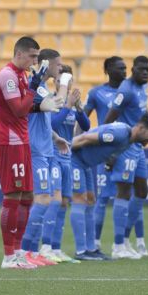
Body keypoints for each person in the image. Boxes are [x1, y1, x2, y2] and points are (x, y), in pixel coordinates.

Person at [0, 36, 62, 269]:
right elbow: (20, 109)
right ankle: (8, 255)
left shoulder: (23, 75)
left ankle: (19, 251)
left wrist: (35, 94)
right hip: (10, 141)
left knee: (27, 197)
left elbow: (28, 105)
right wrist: (33, 90)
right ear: (20, 53)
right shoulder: (8, 75)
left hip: (23, 140)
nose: (35, 61)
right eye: (33, 56)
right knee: (12, 196)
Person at [68, 114, 148, 257]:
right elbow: (85, 138)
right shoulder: (120, 134)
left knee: (90, 200)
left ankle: (91, 249)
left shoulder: (128, 141)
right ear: (141, 128)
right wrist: (62, 150)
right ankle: (81, 250)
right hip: (76, 160)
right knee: (80, 200)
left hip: (86, 165)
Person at [104, 56, 148, 259]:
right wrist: (110, 150)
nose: (146, 73)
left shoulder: (142, 88)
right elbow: (109, 118)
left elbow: (144, 115)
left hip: (139, 147)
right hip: (125, 146)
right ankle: (117, 246)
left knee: (141, 192)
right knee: (123, 191)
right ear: (133, 69)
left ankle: (124, 240)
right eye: (141, 69)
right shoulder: (126, 89)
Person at [19, 48, 70, 265]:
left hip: (47, 149)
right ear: (47, 64)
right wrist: (66, 81)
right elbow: (58, 104)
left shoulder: (43, 87)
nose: (60, 69)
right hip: (36, 150)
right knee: (41, 200)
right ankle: (24, 251)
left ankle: (33, 250)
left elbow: (42, 120)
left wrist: (56, 137)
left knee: (46, 199)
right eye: (58, 65)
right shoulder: (36, 86)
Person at [44, 63, 89, 263]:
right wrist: (68, 105)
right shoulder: (51, 101)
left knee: (64, 202)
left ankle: (56, 247)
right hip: (54, 156)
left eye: (70, 79)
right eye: (64, 79)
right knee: (54, 200)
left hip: (68, 158)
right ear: (55, 81)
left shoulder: (72, 102)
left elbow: (86, 126)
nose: (68, 83)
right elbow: (51, 124)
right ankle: (45, 247)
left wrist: (79, 109)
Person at [83, 56, 127, 250]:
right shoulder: (96, 93)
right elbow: (83, 118)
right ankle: (95, 242)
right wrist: (78, 140)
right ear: (108, 70)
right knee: (102, 198)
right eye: (120, 68)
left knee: (128, 196)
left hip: (126, 148)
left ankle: (124, 243)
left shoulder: (131, 91)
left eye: (126, 68)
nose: (125, 72)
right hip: (104, 149)